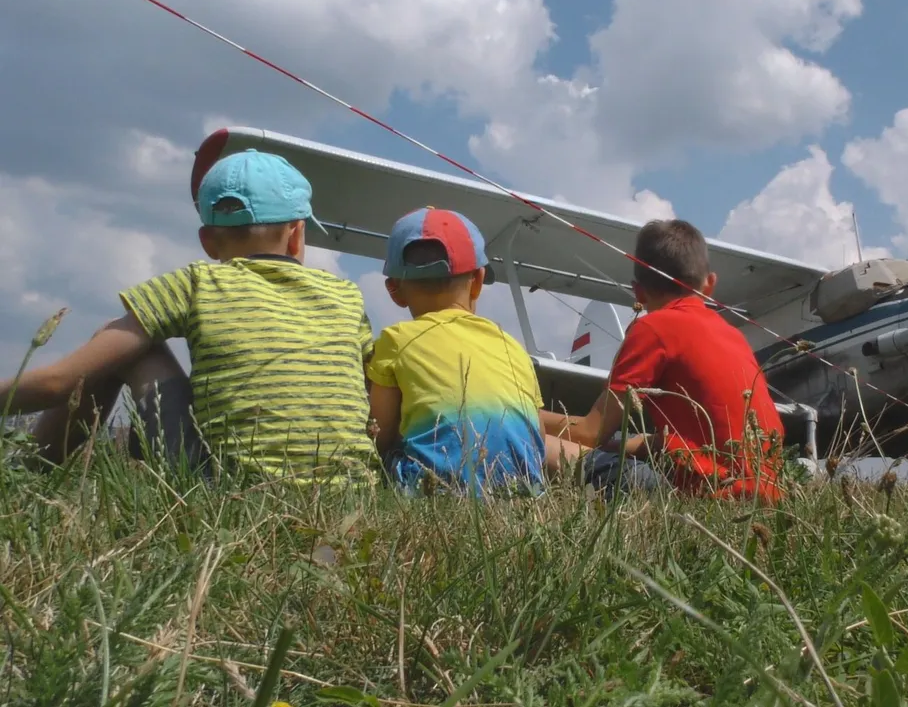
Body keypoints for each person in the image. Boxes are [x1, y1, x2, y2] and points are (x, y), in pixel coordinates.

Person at [0, 149, 381, 486]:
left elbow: (58, 383)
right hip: (349, 492)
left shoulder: (197, 282)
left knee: (121, 344)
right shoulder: (346, 295)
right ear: (297, 234)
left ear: (208, 241)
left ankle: (24, 478)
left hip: (224, 490)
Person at [540, 219, 787, 503]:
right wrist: (617, 445)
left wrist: (524, 416)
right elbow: (676, 443)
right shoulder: (734, 336)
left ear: (638, 291)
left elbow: (588, 433)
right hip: (767, 496)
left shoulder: (652, 328)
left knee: (537, 442)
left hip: (707, 497)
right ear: (710, 285)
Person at [366, 206, 561, 496]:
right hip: (523, 494)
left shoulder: (395, 340)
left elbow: (378, 436)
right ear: (478, 282)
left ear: (394, 290)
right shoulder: (512, 346)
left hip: (436, 491)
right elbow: (538, 441)